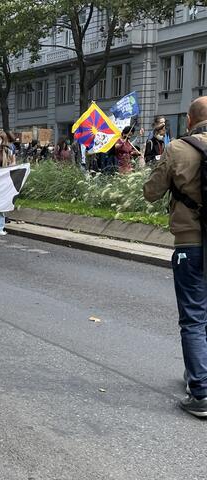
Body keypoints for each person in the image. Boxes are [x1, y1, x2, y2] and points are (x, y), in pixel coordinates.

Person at [143, 96, 207, 418]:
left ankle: (201, 392)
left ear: (189, 120)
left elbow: (151, 192)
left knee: (194, 317)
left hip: (190, 244)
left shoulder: (177, 149)